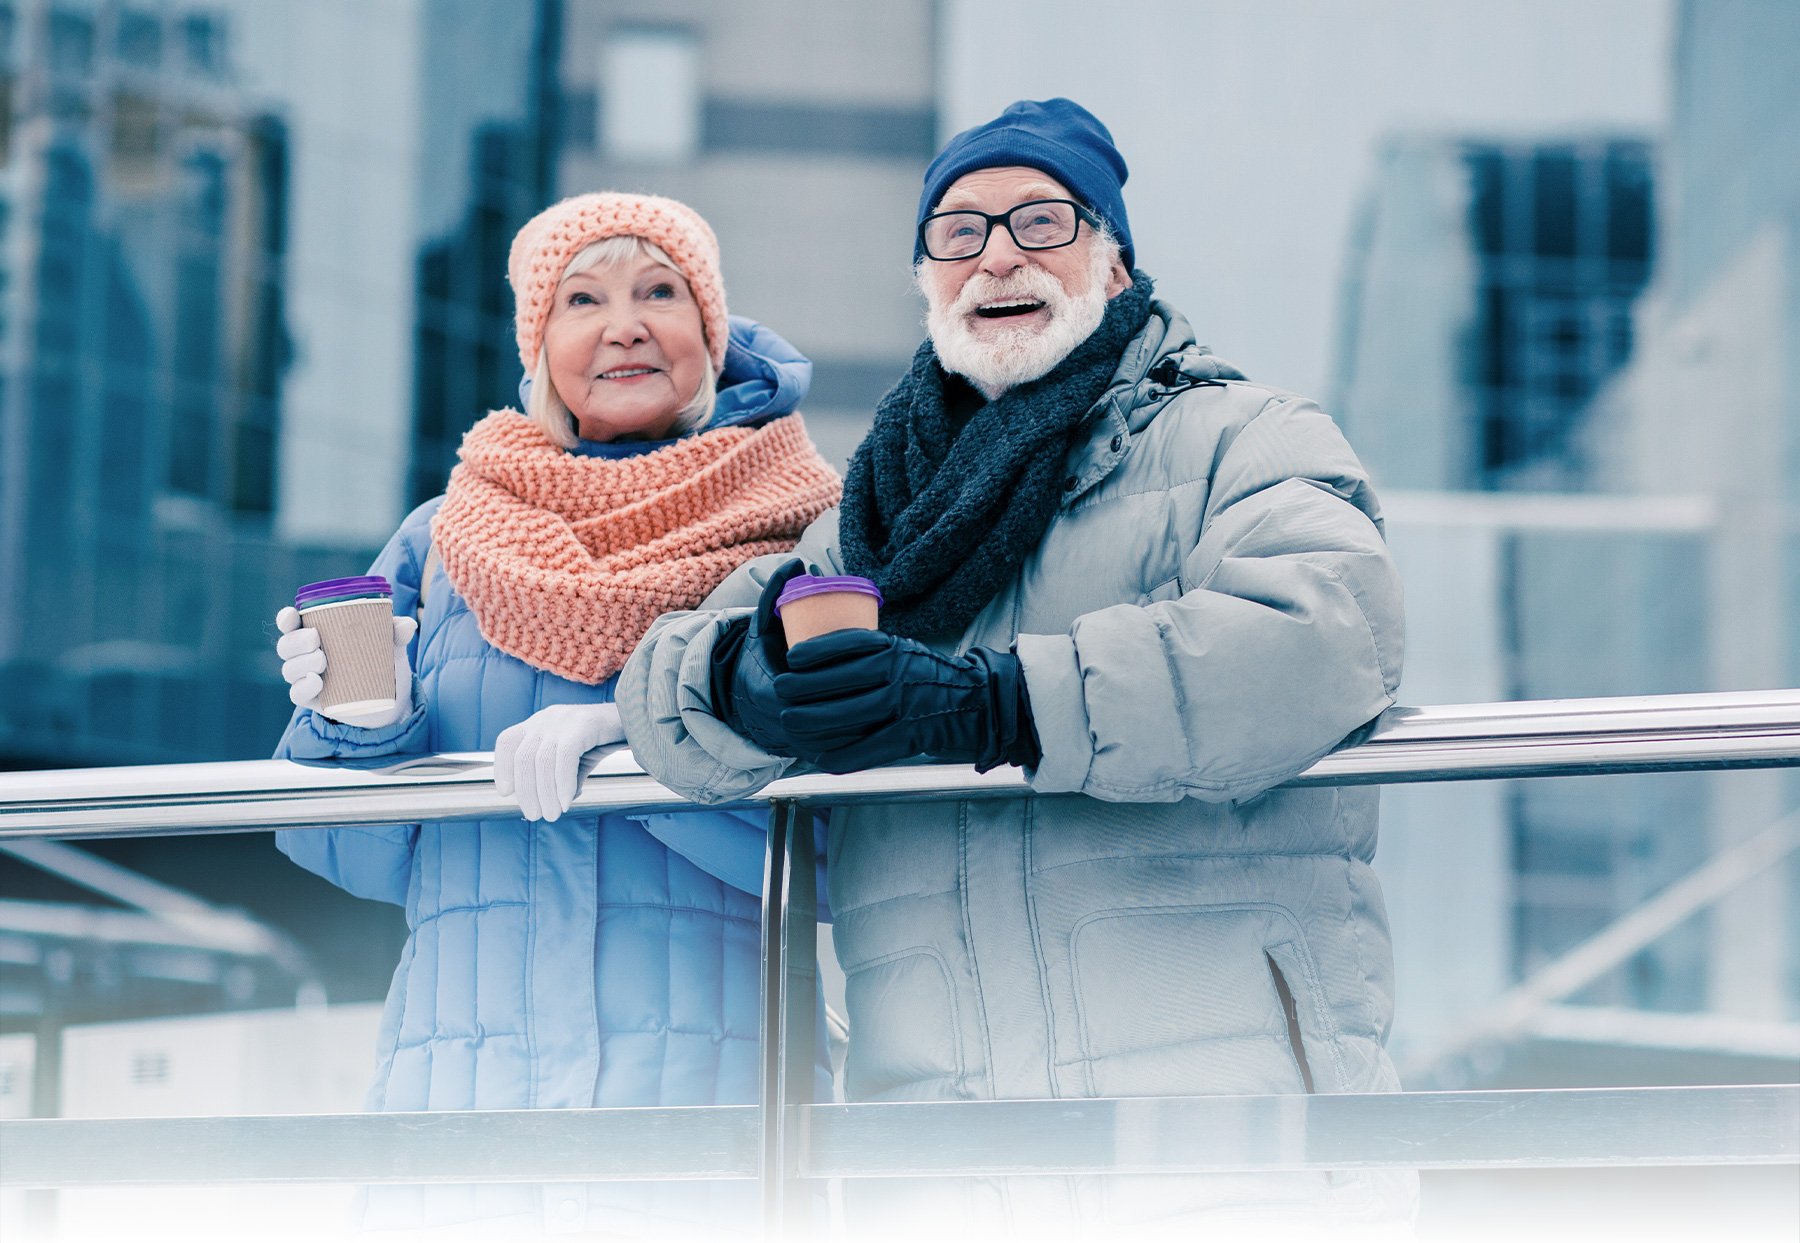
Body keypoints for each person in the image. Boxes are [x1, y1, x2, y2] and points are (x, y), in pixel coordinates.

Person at [620, 100, 1412, 1236]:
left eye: (1041, 221)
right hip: (940, 1157)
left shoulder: (1242, 434)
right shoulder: (876, 514)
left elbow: (1326, 633)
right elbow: (671, 676)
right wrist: (755, 685)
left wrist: (999, 704)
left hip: (1229, 1144)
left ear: (1115, 258)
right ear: (927, 281)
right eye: (958, 232)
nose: (996, 255)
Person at [270, 192, 841, 1239]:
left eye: (658, 292)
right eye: (583, 299)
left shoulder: (804, 531)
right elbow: (339, 849)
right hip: (459, 1111)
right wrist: (365, 724)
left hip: (711, 1108)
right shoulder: (446, 539)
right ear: (541, 346)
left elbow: (850, 841)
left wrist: (644, 743)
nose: (623, 323)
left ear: (708, 332)